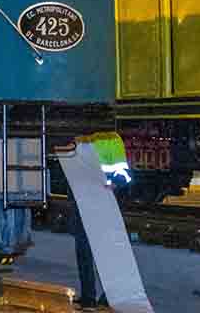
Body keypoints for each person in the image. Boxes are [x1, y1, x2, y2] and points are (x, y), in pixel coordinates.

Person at [68, 132, 131, 310]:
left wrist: (113, 185)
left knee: (90, 251)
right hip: (90, 199)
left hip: (98, 199)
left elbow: (123, 175)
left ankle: (94, 298)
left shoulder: (87, 139)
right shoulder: (106, 138)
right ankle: (96, 298)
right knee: (93, 251)